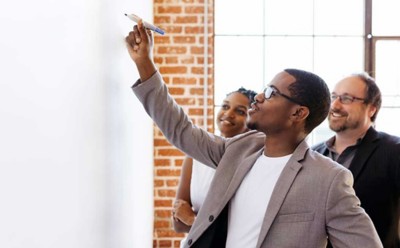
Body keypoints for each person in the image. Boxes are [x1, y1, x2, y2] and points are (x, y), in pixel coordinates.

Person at [125, 21, 383, 247]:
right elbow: (180, 129)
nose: (259, 97)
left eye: (271, 93)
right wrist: (144, 63)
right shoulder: (237, 150)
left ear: (298, 113)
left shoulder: (329, 179)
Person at [312, 73, 400, 248]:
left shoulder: (394, 150)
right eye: (334, 97)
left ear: (372, 109)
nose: (335, 105)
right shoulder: (314, 154)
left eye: (346, 99)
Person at [172, 87, 257, 245]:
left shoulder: (253, 162)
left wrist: (192, 219)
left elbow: (241, 230)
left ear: (252, 120)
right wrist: (190, 220)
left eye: (240, 111)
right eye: (225, 106)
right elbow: (177, 223)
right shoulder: (195, 156)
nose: (228, 114)